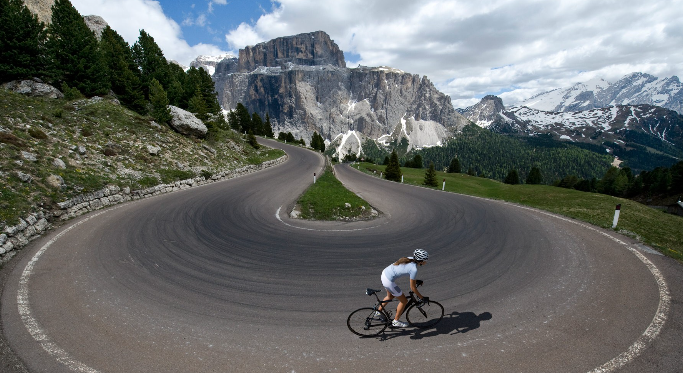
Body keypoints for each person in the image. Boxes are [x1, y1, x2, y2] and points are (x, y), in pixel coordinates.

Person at [376, 249, 429, 328]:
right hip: (389, 281)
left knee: (390, 296)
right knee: (404, 301)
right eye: (425, 260)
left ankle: (378, 312)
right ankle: (396, 321)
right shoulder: (414, 269)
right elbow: (413, 288)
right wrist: (422, 297)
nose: (426, 262)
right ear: (420, 261)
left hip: (384, 274)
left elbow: (404, 271)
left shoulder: (409, 259)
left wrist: (416, 281)